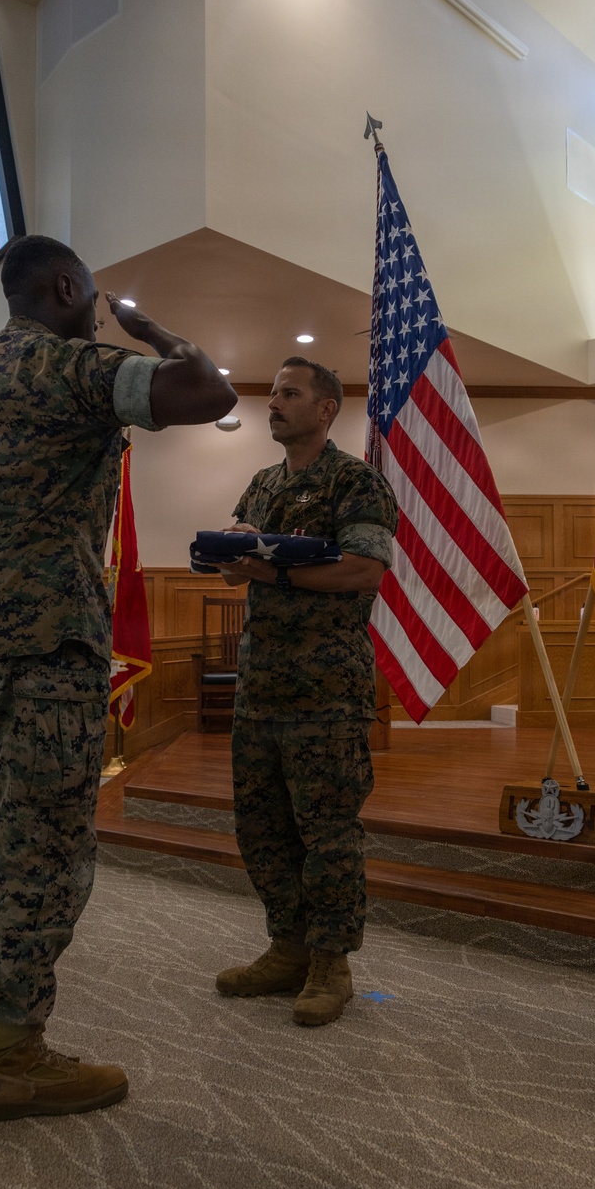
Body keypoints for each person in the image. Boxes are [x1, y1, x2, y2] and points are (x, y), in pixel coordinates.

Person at [0, 233, 236, 1119]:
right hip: (44, 641)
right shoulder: (65, 368)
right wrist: (153, 329)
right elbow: (211, 391)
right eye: (89, 297)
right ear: (63, 287)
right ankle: (15, 1052)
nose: (96, 309)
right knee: (43, 836)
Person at [215, 357, 398, 1026]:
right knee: (261, 826)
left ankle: (331, 963)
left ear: (326, 409)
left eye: (289, 394)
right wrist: (235, 555)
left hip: (326, 686)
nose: (273, 403)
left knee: (326, 830)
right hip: (261, 685)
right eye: (271, 394)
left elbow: (362, 570)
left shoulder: (355, 482)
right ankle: (287, 947)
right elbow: (239, 577)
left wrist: (272, 571)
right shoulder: (262, 484)